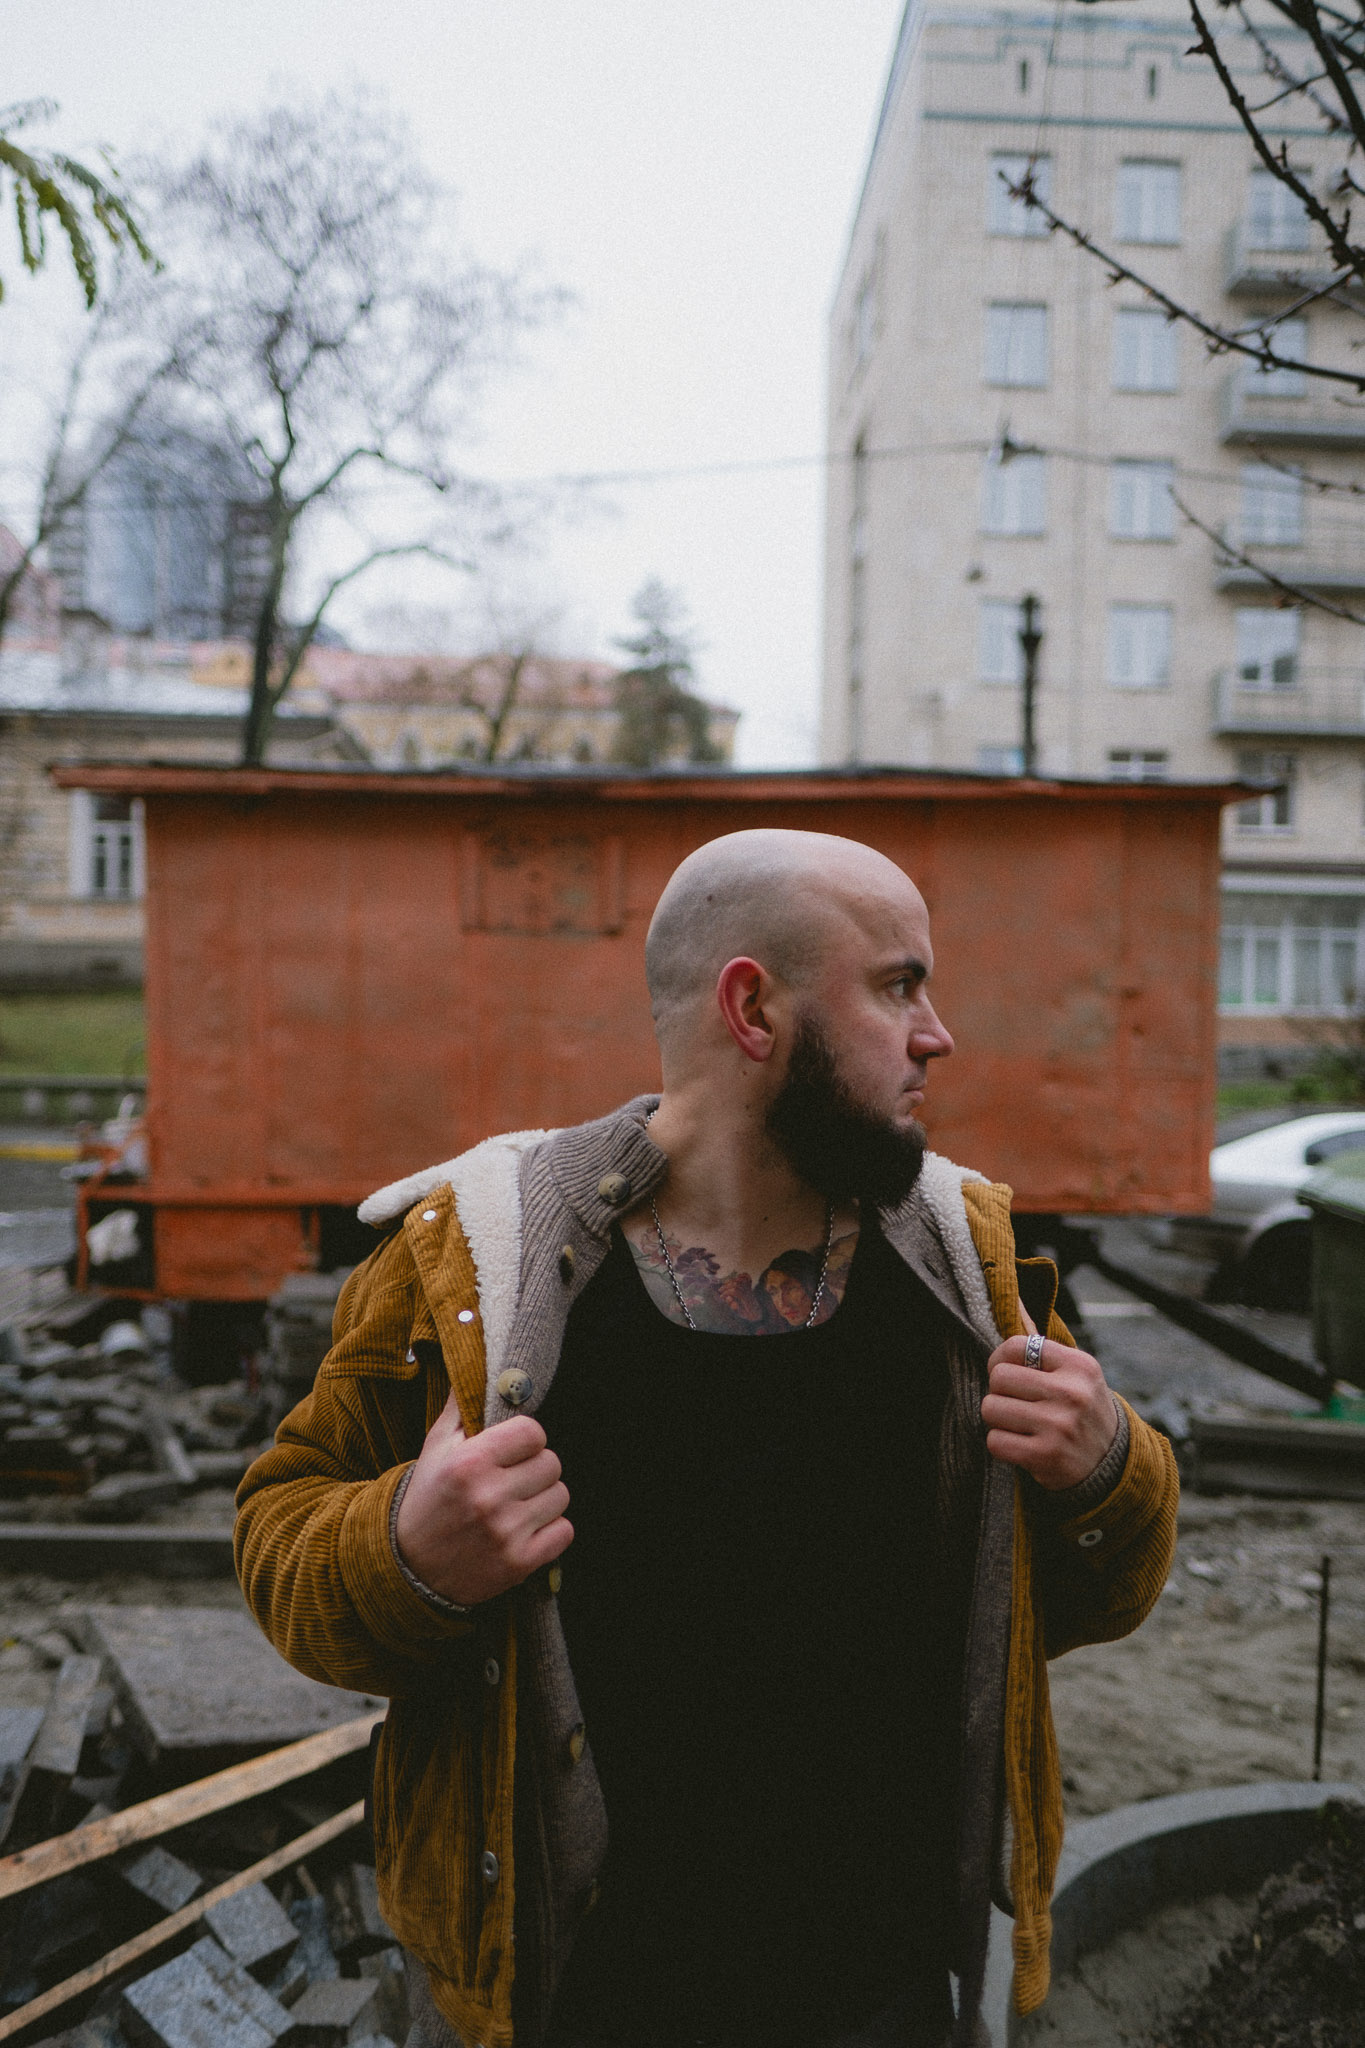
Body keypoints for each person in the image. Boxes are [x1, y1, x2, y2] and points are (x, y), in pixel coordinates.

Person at [235, 829, 1178, 2048]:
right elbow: (276, 1537)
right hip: (569, 2002)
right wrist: (406, 1549)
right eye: (899, 983)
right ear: (753, 1006)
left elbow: (1106, 1595)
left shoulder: (968, 1268)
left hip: (884, 2002)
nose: (937, 1031)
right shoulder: (482, 1266)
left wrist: (1110, 1463)